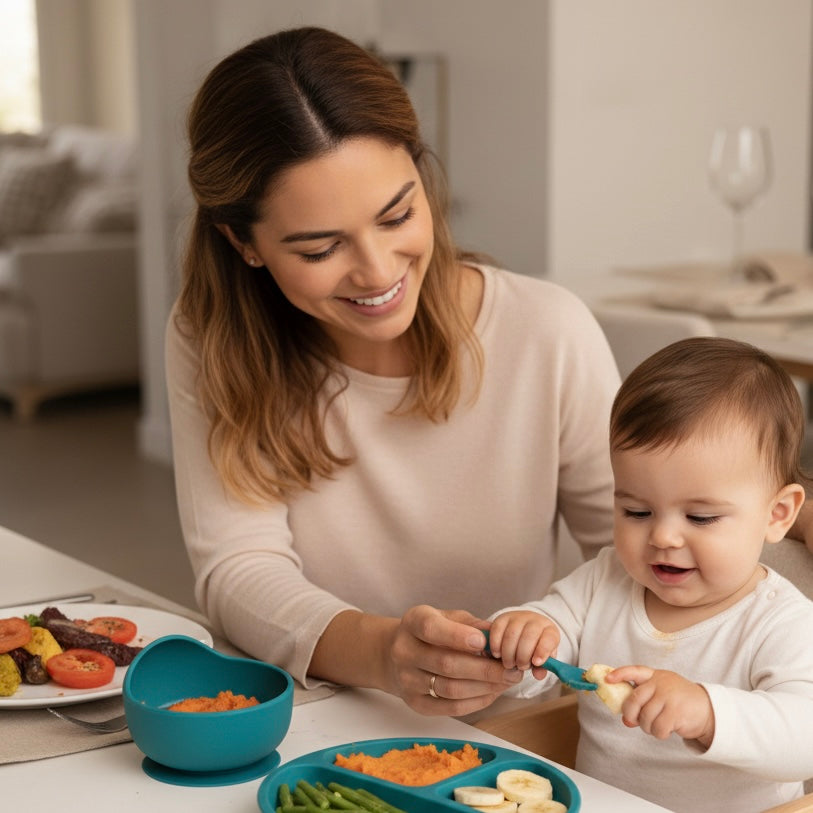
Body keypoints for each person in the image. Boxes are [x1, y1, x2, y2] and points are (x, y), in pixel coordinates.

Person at [165, 25, 621, 718]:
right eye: (320, 247)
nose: (377, 272)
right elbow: (237, 569)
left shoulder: (546, 331)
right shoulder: (210, 339)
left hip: (513, 733)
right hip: (317, 715)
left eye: (397, 214)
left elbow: (633, 553)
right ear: (242, 241)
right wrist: (382, 652)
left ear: (420, 170)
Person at [487, 336, 813, 813]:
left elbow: (802, 737)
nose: (663, 537)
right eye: (637, 511)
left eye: (700, 518)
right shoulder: (605, 579)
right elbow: (542, 653)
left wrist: (706, 712)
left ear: (778, 514)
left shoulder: (783, 622)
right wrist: (524, 634)